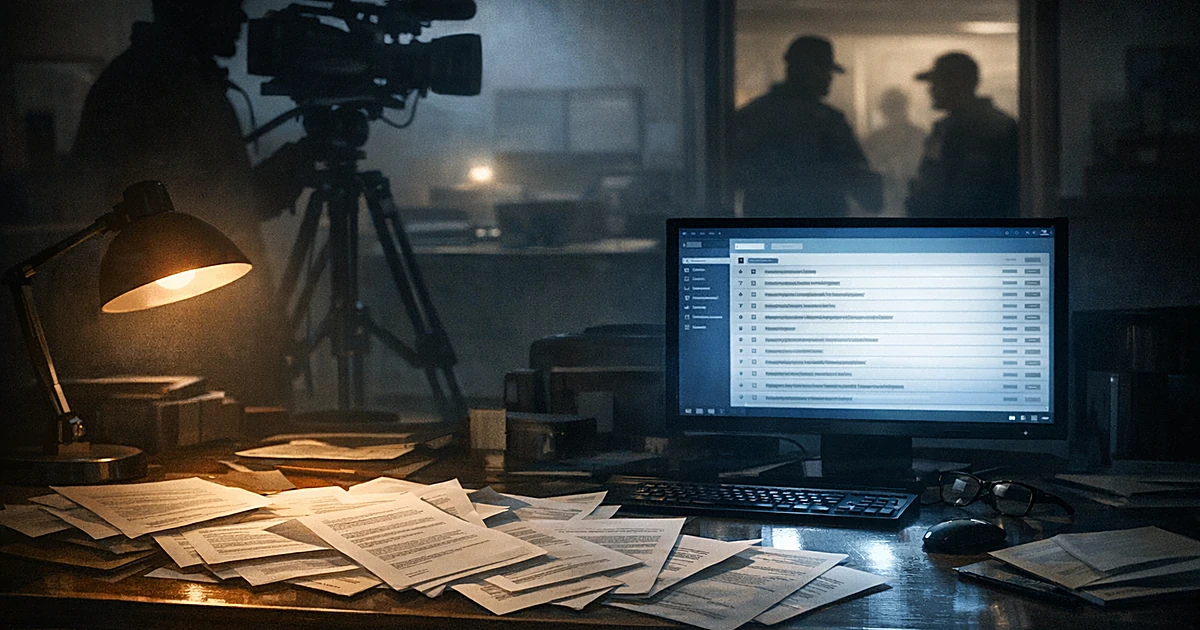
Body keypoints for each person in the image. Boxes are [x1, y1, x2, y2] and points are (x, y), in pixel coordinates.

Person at [62, 0, 308, 405]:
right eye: (230, 5)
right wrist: (278, 179)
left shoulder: (159, 78)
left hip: (188, 319)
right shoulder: (162, 86)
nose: (240, 18)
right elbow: (203, 213)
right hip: (185, 326)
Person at [732, 35, 880, 218]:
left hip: (769, 229)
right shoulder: (827, 121)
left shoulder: (755, 114)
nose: (829, 79)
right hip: (817, 230)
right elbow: (862, 183)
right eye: (825, 70)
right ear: (808, 69)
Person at [906, 52, 1019, 218]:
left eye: (937, 83)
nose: (931, 90)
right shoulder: (999, 124)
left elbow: (967, 193)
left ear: (956, 84)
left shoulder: (981, 129)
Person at [862, 88, 926, 216]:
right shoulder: (873, 139)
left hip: (912, 201)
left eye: (896, 106)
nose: (893, 111)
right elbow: (866, 168)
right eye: (890, 107)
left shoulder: (919, 136)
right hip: (883, 203)